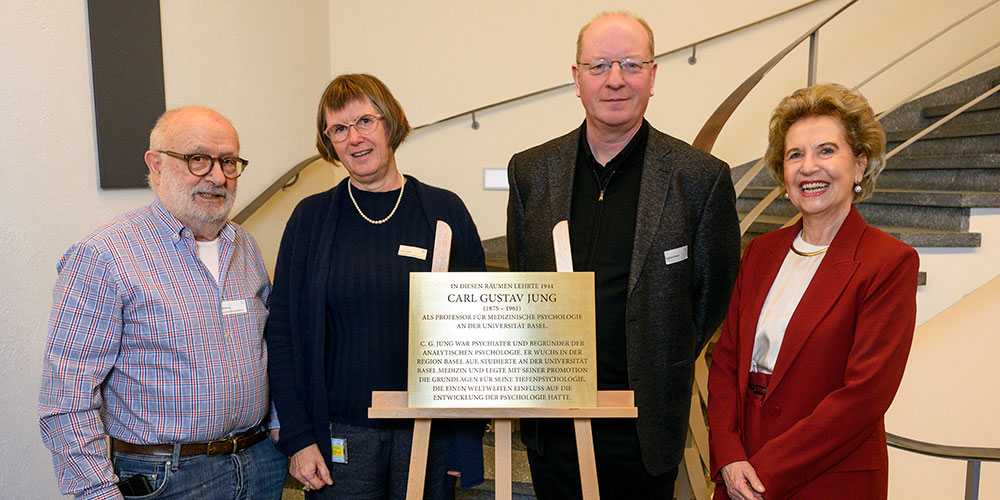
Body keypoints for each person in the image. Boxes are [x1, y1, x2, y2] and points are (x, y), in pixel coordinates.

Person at [506, 11, 741, 500]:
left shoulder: (700, 179)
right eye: (599, 66)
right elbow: (523, 282)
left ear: (653, 76)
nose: (615, 80)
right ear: (576, 78)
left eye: (631, 64)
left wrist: (659, 359)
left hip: (644, 428)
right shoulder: (530, 171)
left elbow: (711, 298)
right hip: (554, 425)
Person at [38, 106, 286, 500]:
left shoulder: (246, 246)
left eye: (228, 161)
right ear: (156, 165)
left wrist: (276, 422)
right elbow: (66, 398)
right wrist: (97, 494)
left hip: (260, 464)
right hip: (165, 478)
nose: (218, 176)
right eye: (198, 159)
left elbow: (270, 346)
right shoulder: (104, 255)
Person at [265, 73, 486, 499]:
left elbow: (476, 331)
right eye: (339, 129)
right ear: (329, 143)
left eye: (365, 121)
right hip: (339, 431)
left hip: (427, 429)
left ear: (390, 122)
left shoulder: (443, 211)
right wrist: (298, 437)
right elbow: (285, 334)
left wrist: (465, 439)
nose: (354, 138)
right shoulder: (310, 219)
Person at [707, 83, 919, 500]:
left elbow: (863, 397)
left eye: (826, 151)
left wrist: (761, 473)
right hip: (739, 469)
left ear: (859, 165)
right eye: (794, 155)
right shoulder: (761, 252)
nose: (808, 167)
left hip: (828, 478)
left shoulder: (889, 262)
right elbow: (726, 359)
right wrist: (729, 456)